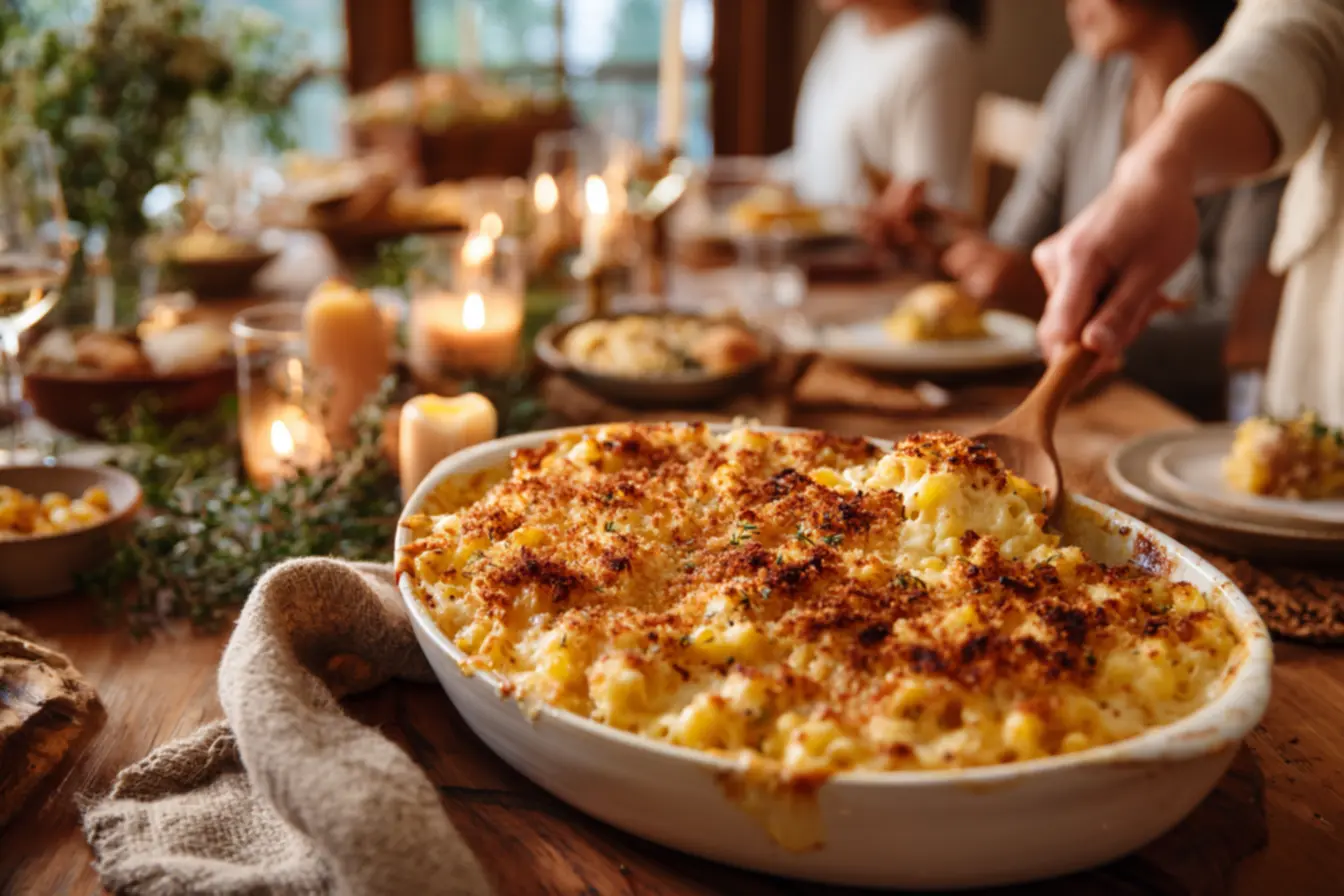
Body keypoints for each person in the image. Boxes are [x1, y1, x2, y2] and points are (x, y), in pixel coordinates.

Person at [869, 0, 1284, 418]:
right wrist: (945, 246)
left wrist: (1058, 309)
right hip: (1067, 394)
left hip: (1169, 421)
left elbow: (1240, 335)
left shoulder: (1260, 113)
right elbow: (1014, 246)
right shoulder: (1088, 77)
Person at [1032, 1, 1344, 426]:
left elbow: (1239, 334)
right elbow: (1303, 22)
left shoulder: (1262, 170)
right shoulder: (1086, 78)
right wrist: (1160, 166)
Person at [784, 0, 981, 209]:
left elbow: (924, 201)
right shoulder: (847, 30)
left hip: (863, 239)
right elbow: (821, 160)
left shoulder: (937, 50)